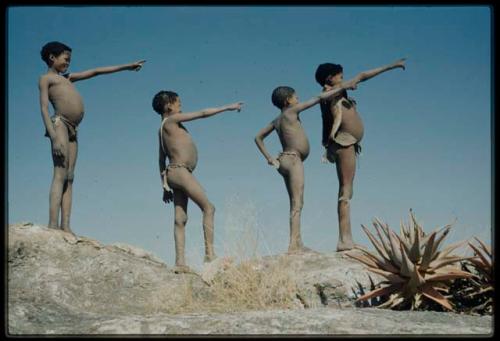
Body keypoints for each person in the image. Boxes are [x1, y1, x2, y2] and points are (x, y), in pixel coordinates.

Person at [39, 41, 145, 234]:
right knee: (60, 174)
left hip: (73, 128)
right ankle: (53, 225)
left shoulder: (68, 78)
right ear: (52, 58)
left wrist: (126, 67)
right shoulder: (46, 79)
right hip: (60, 124)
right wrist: (54, 136)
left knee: (70, 177)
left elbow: (96, 71)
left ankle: (66, 226)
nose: (68, 64)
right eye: (66, 59)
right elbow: (44, 108)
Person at [314, 58, 406, 251]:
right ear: (330, 78)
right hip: (343, 142)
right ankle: (344, 240)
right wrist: (391, 65)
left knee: (348, 190)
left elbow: (326, 119)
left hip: (347, 143)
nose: (344, 79)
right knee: (345, 192)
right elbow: (362, 76)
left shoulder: (336, 93)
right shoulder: (330, 93)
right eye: (340, 76)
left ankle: (346, 238)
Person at [254, 82, 356, 254]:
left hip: (285, 160)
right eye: (295, 97)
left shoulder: (277, 120)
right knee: (297, 203)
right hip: (293, 159)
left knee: (295, 202)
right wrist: (344, 88)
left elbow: (258, 137)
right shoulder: (291, 112)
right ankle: (294, 245)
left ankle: (297, 242)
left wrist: (271, 159)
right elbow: (318, 98)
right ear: (288, 101)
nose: (298, 99)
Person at [153, 90, 243, 273]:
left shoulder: (162, 128)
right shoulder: (171, 121)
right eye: (178, 103)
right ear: (168, 106)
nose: (181, 106)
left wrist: (164, 185)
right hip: (180, 171)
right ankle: (209, 254)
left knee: (180, 218)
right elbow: (202, 114)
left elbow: (161, 159)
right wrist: (227, 107)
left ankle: (180, 262)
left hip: (173, 173)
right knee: (209, 208)